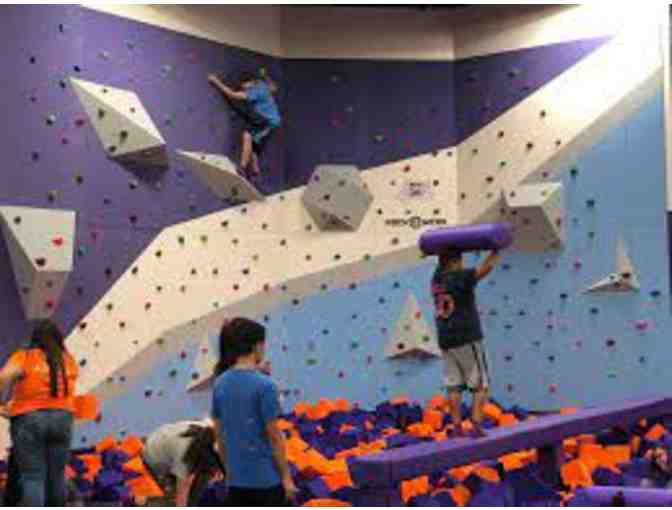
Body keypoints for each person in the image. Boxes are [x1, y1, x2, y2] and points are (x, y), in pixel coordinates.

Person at [211, 317, 297, 506]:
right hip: (266, 480)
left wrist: (229, 474)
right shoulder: (265, 385)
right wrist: (286, 477)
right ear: (257, 346)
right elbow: (274, 437)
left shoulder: (220, 384)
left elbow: (220, 437)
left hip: (237, 483)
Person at [0, 319, 78, 506]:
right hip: (63, 419)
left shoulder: (24, 356)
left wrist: (2, 402)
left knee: (33, 477)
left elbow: (4, 376)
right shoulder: (68, 359)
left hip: (29, 418)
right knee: (57, 476)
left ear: (34, 338)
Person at [431, 249, 500, 437]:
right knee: (480, 384)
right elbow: (485, 269)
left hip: (446, 340)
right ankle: (476, 423)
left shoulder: (436, 281)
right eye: (460, 259)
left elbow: (441, 262)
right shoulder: (460, 276)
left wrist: (437, 252)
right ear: (454, 262)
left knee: (454, 385)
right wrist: (496, 251)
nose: (462, 263)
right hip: (467, 337)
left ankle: (457, 426)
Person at [208, 70, 281, 178]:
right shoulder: (261, 84)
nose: (243, 87)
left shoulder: (255, 92)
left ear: (250, 82)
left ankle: (242, 167)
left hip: (267, 121)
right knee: (253, 142)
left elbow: (232, 95)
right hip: (270, 120)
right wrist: (266, 76)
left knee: (247, 135)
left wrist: (216, 81)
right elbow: (274, 88)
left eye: (244, 85)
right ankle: (255, 170)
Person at [142, 420, 224, 506]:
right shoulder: (186, 454)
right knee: (191, 484)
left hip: (167, 438)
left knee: (207, 476)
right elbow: (182, 494)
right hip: (153, 456)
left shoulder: (211, 432)